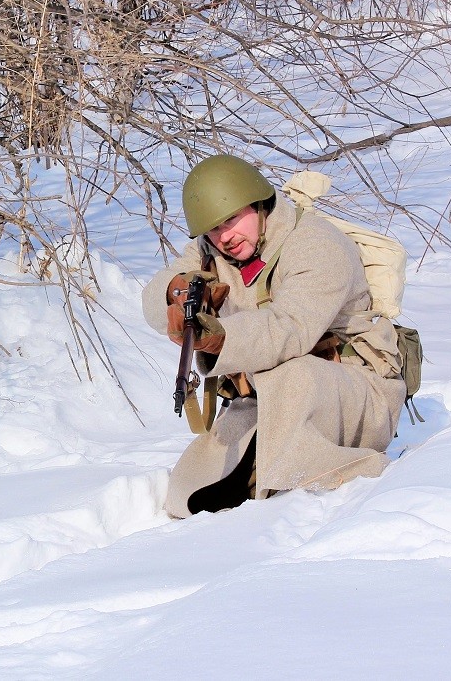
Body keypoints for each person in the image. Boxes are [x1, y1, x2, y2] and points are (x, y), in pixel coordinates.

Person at [142, 154, 406, 518]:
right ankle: (266, 479)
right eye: (213, 229)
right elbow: (152, 301)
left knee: (291, 375)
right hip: (270, 396)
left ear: (257, 203)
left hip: (358, 396)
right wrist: (176, 290)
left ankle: (340, 475)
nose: (224, 238)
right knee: (187, 494)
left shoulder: (316, 245)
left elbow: (290, 328)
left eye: (231, 220)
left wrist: (219, 338)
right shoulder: (211, 250)